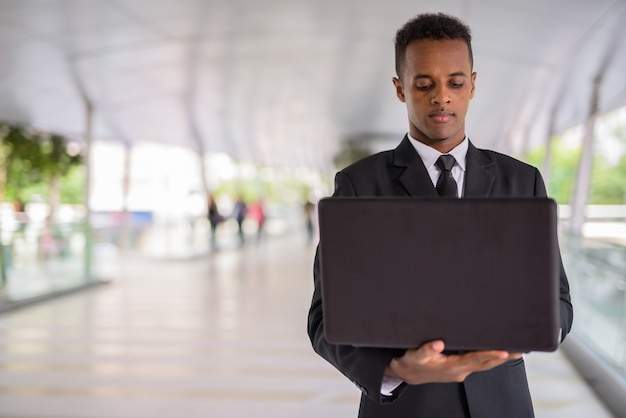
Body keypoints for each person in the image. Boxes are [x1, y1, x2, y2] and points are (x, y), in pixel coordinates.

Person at [307, 13, 573, 418]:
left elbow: (559, 299)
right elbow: (325, 319)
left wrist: (537, 332)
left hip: (503, 405)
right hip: (407, 407)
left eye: (455, 82)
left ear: (473, 84)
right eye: (424, 84)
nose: (442, 97)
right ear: (400, 89)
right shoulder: (360, 185)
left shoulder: (522, 181)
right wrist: (396, 370)